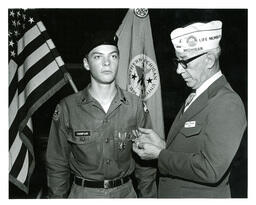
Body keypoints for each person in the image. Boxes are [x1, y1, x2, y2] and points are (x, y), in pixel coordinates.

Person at [132, 20, 247, 198]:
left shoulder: (227, 102)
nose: (178, 70)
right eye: (177, 61)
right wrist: (162, 145)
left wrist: (160, 155)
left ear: (209, 60)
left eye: (185, 62)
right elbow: (194, 150)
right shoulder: (197, 94)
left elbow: (210, 169)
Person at [46, 31, 157, 198]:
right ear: (86, 64)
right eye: (98, 57)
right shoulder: (68, 108)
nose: (107, 63)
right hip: (83, 195)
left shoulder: (135, 105)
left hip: (125, 194)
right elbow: (56, 163)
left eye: (113, 56)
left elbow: (146, 164)